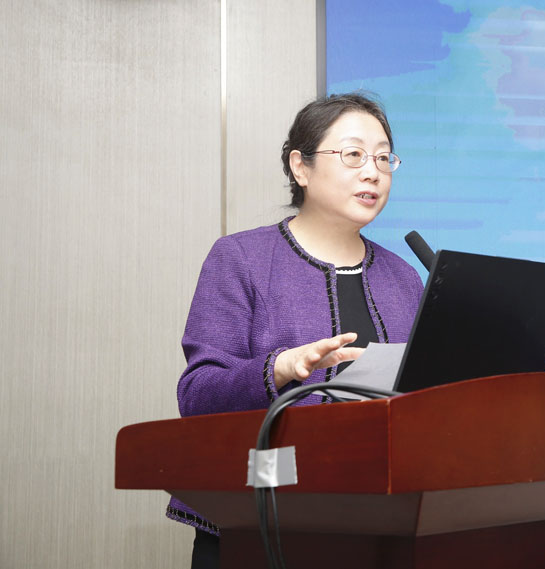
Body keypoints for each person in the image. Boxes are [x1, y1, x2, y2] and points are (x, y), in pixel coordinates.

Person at [165, 93, 424, 568]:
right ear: (300, 167)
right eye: (353, 155)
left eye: (383, 158)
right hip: (260, 523)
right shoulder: (241, 259)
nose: (373, 172)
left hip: (377, 526)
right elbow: (197, 396)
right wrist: (281, 368)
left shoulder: (404, 277)